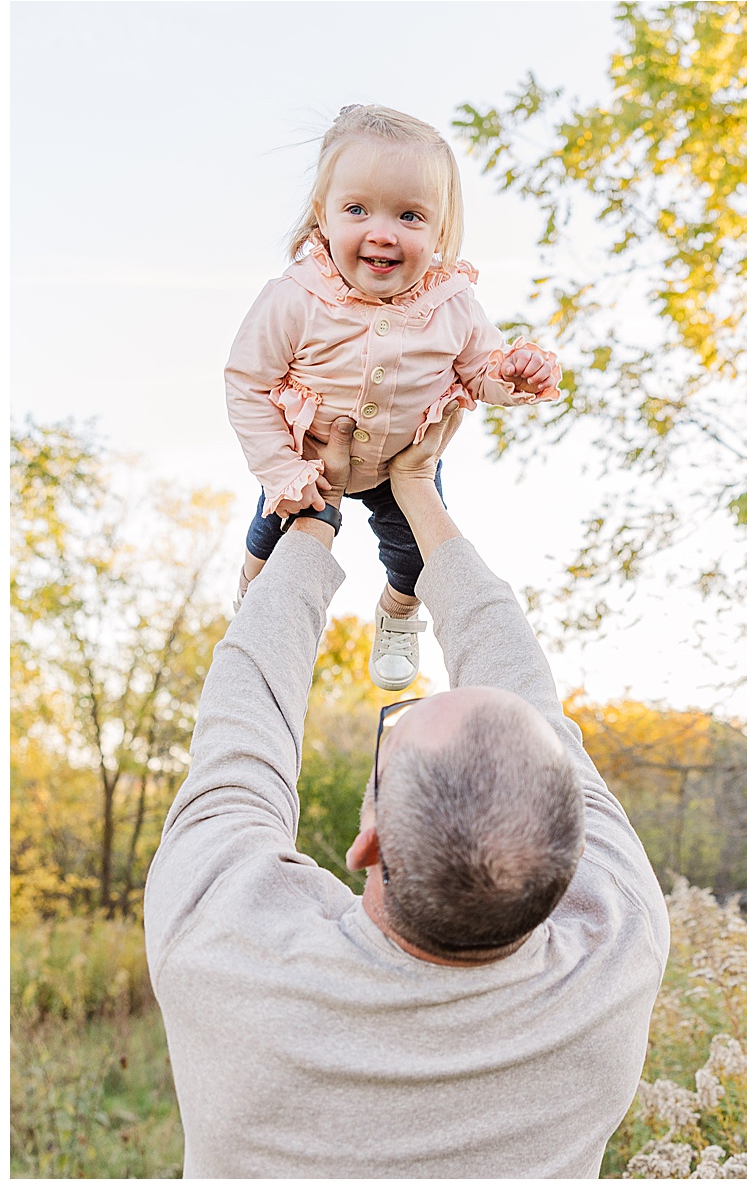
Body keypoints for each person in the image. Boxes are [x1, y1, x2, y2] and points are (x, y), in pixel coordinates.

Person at [143, 409, 669, 1177]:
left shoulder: (223, 951)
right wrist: (417, 492)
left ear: (370, 845)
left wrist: (312, 527)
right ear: (577, 853)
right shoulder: (616, 957)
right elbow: (529, 696)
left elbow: (242, 733)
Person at [225, 104, 562, 692]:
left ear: (440, 232)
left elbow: (480, 369)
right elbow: (246, 382)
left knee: (415, 556)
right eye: (357, 209)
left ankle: (399, 611)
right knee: (270, 534)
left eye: (409, 215)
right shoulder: (294, 299)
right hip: (307, 461)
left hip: (402, 465)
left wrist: (513, 374)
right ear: (322, 217)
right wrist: (281, 468)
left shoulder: (452, 304)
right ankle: (257, 591)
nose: (382, 232)